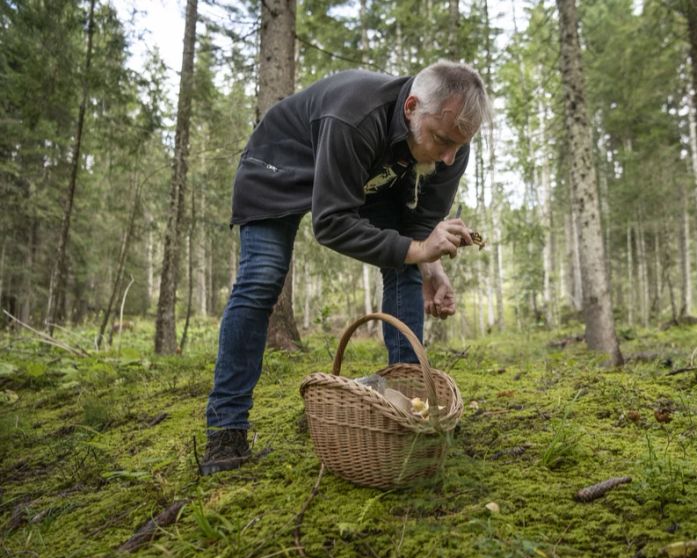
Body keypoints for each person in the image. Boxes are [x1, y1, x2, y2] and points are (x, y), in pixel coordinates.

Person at [200, 61, 492, 475]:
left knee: (404, 263)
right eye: (442, 140)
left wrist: (433, 268)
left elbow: (417, 232)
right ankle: (226, 433)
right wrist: (417, 248)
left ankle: (411, 411)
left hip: (366, 174)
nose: (448, 158)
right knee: (262, 276)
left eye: (460, 146)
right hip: (280, 164)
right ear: (411, 107)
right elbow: (332, 224)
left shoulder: (450, 147)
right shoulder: (355, 114)